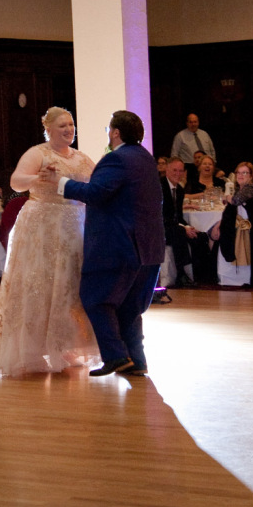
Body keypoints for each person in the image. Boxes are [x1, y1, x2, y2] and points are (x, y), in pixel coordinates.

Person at [0, 106, 99, 377]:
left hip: (75, 226)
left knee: (70, 285)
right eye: (62, 126)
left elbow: (96, 184)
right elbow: (16, 182)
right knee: (40, 284)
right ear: (49, 129)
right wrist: (38, 177)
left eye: (71, 124)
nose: (69, 129)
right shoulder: (38, 153)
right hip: (43, 227)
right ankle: (33, 349)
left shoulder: (81, 157)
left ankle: (68, 345)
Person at [51, 110, 165, 377]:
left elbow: (96, 193)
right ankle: (136, 360)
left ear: (115, 132)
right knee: (130, 307)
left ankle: (115, 356)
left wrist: (61, 183)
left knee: (95, 298)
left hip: (118, 245)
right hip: (148, 246)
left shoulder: (117, 159)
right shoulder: (146, 158)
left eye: (108, 130)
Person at [213, 162, 253, 287]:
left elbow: (235, 201)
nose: (240, 175)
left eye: (245, 173)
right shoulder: (239, 189)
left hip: (250, 231)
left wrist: (227, 196)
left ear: (251, 176)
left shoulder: (250, 188)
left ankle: (244, 279)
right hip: (237, 226)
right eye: (238, 172)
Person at [161, 157, 209, 287]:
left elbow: (178, 216)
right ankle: (181, 274)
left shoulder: (180, 190)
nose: (178, 174)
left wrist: (188, 226)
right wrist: (183, 228)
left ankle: (202, 275)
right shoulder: (159, 187)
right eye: (174, 170)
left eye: (180, 171)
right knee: (179, 232)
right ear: (167, 170)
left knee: (201, 236)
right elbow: (160, 216)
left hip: (173, 226)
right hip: (159, 228)